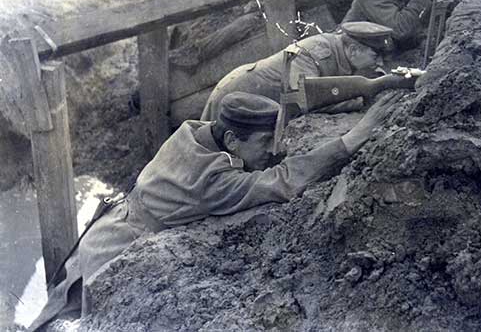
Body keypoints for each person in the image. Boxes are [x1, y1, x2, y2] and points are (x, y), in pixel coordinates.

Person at [30, 90, 401, 331]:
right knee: (84, 319)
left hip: (107, 227)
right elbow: (282, 180)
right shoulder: (210, 182)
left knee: (57, 311)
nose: (269, 151)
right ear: (231, 140)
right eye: (261, 143)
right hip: (117, 251)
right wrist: (352, 138)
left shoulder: (195, 131)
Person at [200, 21, 394, 121]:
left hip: (257, 100)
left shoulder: (341, 50)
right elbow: (304, 99)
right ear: (353, 50)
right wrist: (357, 100)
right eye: (376, 56)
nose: (380, 63)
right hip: (234, 93)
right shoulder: (315, 53)